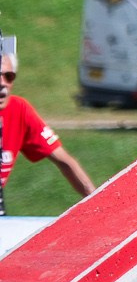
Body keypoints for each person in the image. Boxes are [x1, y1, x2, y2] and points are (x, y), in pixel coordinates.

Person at [0, 47, 94, 215]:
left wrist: (98, 204)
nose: (2, 83)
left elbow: (65, 161)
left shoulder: (20, 110)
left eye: (8, 76)